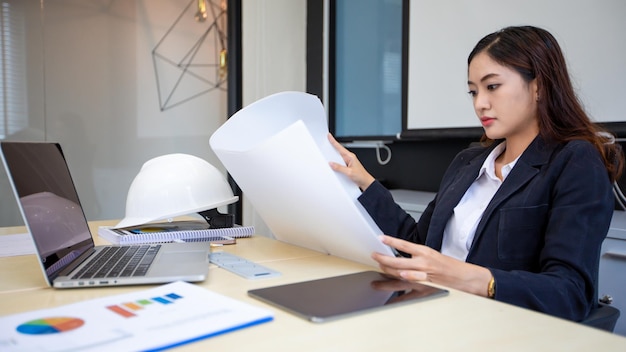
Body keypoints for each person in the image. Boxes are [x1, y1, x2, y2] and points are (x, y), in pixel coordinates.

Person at [329, 25, 623, 321]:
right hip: (432, 313)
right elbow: (418, 246)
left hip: (501, 330)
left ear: (539, 87)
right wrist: (365, 182)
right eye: (473, 91)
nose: (479, 103)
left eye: (492, 86)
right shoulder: (469, 161)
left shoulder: (575, 161)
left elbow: (570, 294)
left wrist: (471, 278)